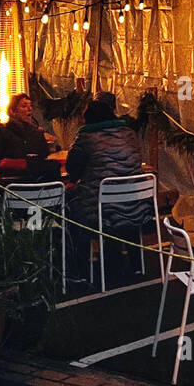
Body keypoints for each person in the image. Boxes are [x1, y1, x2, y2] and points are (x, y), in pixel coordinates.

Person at [64, 100, 147, 282]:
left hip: (102, 213)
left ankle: (81, 269)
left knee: (70, 206)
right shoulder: (130, 134)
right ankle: (136, 265)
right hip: (135, 209)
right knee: (118, 206)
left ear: (88, 119)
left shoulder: (85, 138)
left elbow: (72, 169)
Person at [0, 92, 50, 169]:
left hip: (35, 178)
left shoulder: (38, 133)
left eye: (31, 106)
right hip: (8, 177)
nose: (30, 109)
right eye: (24, 106)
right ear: (12, 111)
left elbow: (44, 158)